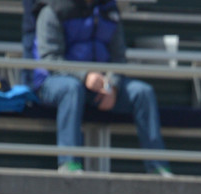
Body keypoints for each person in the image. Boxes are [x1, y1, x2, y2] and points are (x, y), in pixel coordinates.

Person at [32, 0, 171, 176]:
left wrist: (113, 85)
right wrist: (84, 76)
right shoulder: (52, 10)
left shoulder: (109, 10)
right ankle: (69, 164)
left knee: (143, 92)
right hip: (54, 82)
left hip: (100, 85)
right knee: (72, 89)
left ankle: (158, 167)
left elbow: (118, 57)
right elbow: (49, 59)